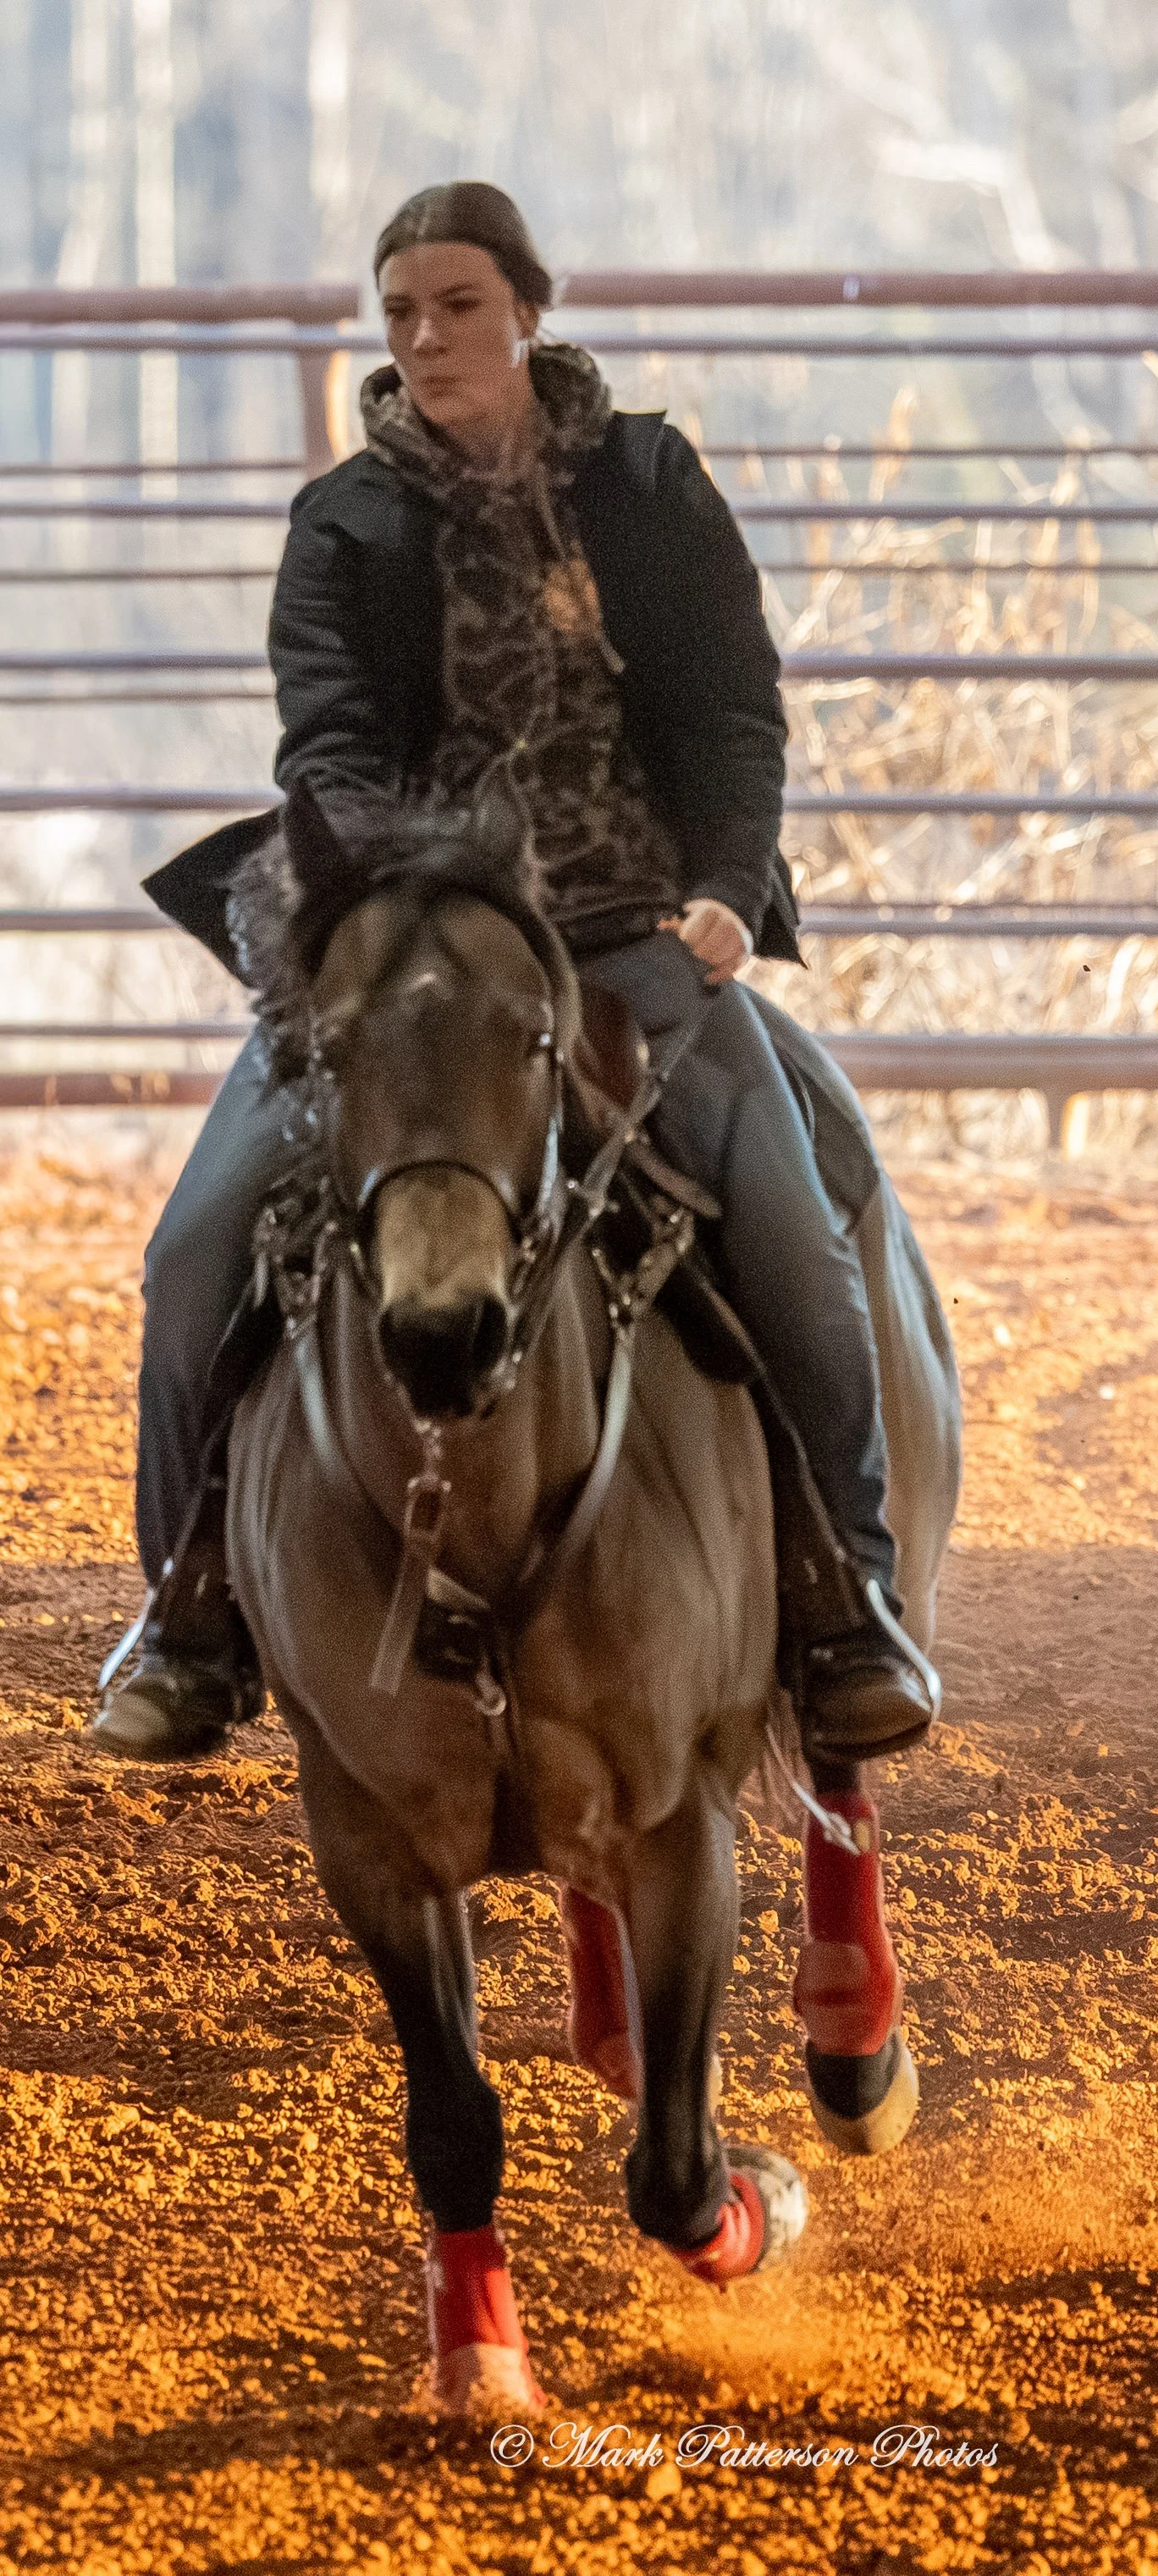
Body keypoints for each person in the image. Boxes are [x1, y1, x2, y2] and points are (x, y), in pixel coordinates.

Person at [94, 181, 937, 1760]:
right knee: (195, 1249)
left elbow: (732, 707)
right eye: (401, 310)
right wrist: (410, 912)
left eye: (458, 304)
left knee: (794, 1239)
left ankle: (848, 1599)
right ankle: (189, 1611)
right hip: (418, 951)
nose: (425, 337)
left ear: (530, 311)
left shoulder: (648, 483)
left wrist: (727, 890)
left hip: (633, 937)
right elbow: (328, 751)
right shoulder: (340, 523)